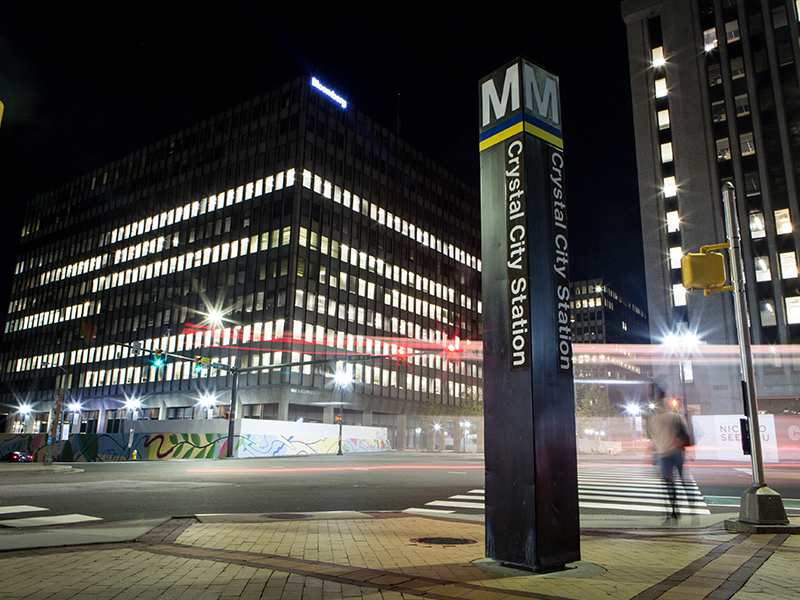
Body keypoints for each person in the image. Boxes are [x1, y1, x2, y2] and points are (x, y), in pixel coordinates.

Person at [650, 397, 691, 523]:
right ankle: (692, 508)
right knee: (683, 479)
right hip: (677, 451)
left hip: (664, 454)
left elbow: (653, 438)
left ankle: (673, 509)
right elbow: (685, 430)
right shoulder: (676, 416)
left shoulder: (654, 420)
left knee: (669, 482)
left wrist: (654, 455)